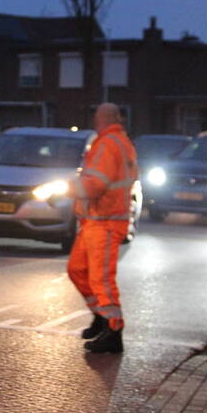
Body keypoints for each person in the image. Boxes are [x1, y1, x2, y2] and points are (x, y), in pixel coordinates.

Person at [68, 103, 138, 354]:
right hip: (95, 221)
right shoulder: (116, 141)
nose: (94, 121)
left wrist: (69, 188)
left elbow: (95, 183)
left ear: (104, 119)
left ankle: (113, 330)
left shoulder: (109, 144)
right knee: (77, 270)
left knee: (101, 279)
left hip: (105, 222)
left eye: (97, 117)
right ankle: (101, 317)